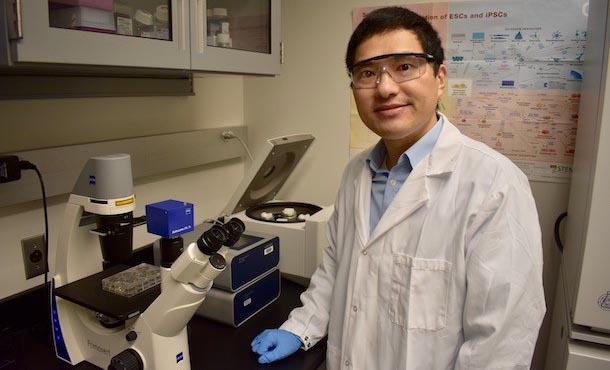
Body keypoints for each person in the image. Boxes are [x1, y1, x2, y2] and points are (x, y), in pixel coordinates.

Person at [251, 6, 546, 370]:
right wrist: (301, 327)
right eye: (368, 73)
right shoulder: (356, 172)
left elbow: (502, 341)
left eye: (405, 66)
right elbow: (335, 270)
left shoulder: (494, 184)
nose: (385, 87)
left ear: (440, 77)